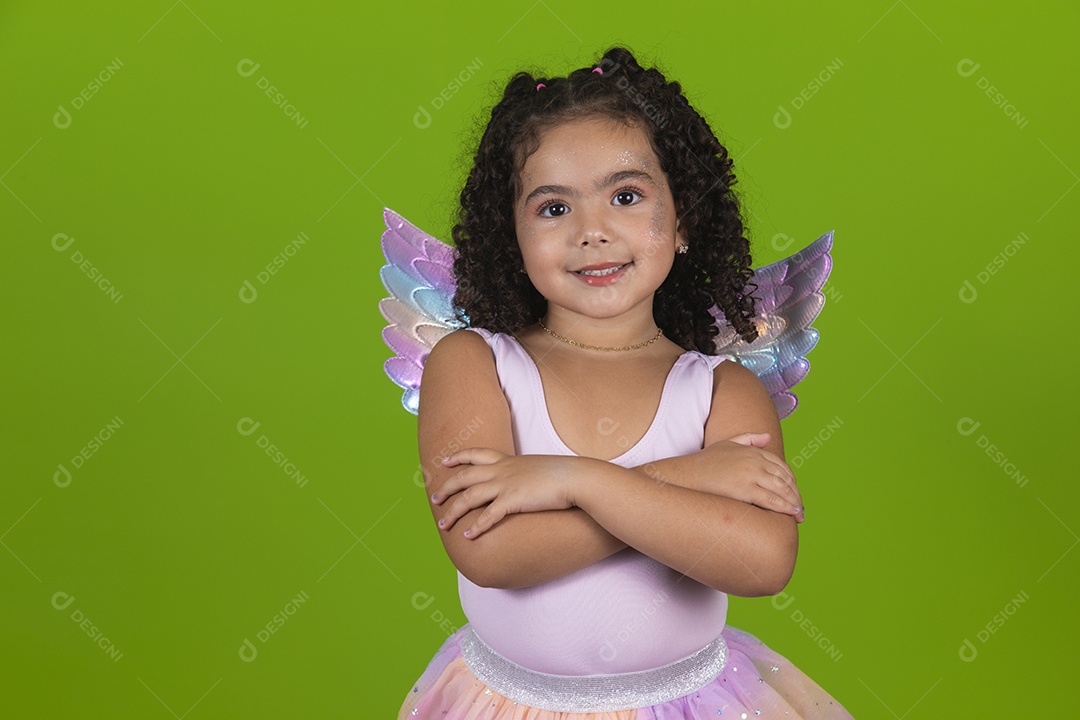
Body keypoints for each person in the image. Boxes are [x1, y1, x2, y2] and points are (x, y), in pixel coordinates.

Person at [398, 46, 852, 719]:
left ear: (685, 221)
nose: (593, 232)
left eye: (627, 196)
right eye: (554, 208)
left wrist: (570, 480)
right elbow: (489, 550)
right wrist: (690, 477)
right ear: (510, 235)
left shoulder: (722, 391)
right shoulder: (473, 365)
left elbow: (760, 562)